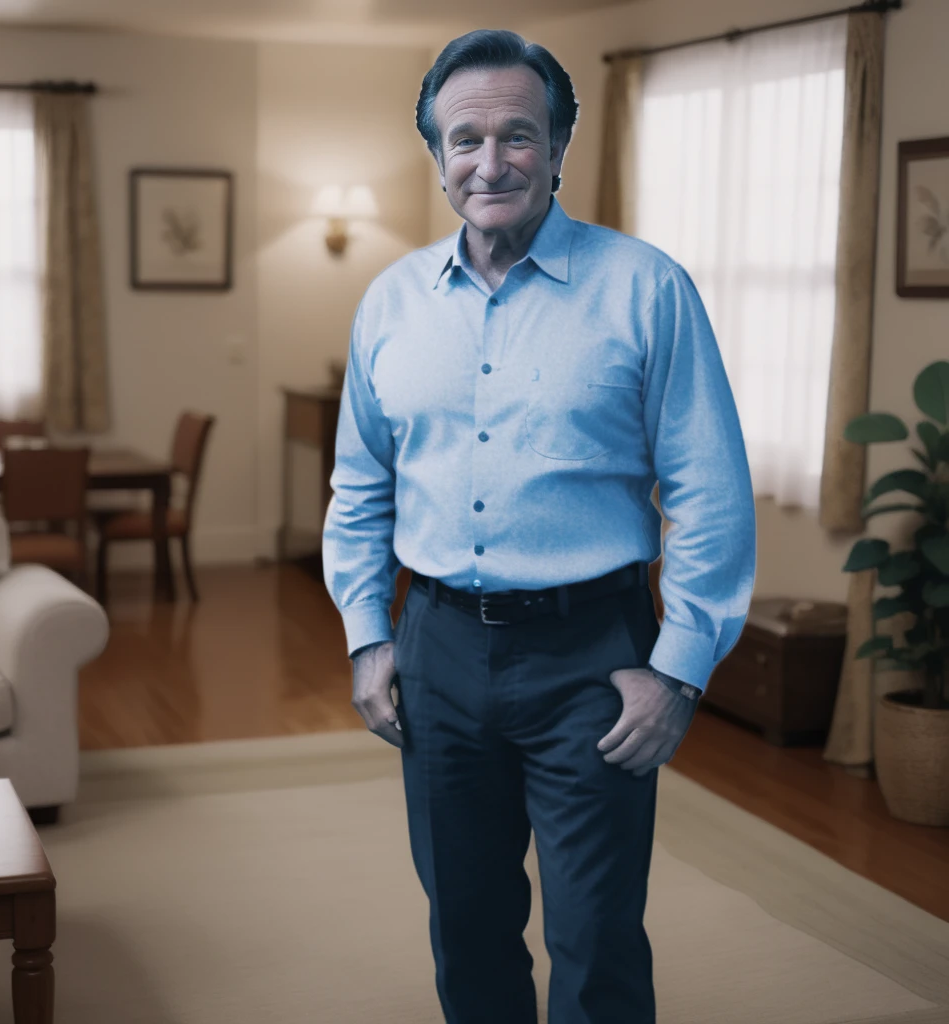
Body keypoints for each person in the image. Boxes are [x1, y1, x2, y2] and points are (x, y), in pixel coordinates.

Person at [322, 28, 756, 1024]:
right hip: (434, 647)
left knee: (596, 933)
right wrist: (367, 635)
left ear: (559, 147)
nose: (490, 160)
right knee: (465, 924)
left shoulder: (647, 289)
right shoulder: (388, 304)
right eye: (464, 138)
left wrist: (681, 667)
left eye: (518, 135)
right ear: (436, 160)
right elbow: (358, 490)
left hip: (591, 655)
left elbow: (709, 494)